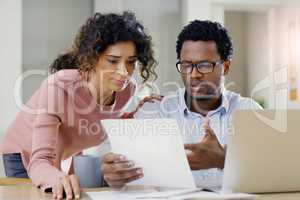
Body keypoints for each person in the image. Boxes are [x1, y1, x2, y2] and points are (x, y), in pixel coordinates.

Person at [0, 11, 158, 199]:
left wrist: (136, 115)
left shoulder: (126, 91)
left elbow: (100, 119)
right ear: (92, 58)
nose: (124, 72)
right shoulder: (59, 87)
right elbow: (40, 161)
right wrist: (55, 176)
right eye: (113, 61)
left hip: (65, 151)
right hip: (25, 152)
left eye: (131, 62)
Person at [100, 20, 262, 188]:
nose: (194, 74)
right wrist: (114, 176)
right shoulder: (155, 111)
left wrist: (223, 160)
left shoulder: (249, 112)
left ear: (226, 66)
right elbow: (126, 174)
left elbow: (270, 173)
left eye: (204, 65)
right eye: (186, 65)